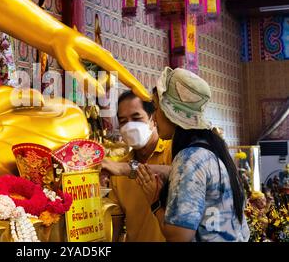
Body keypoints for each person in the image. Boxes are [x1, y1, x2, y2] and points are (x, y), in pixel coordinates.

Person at [136, 67, 249, 241]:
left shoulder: (189, 158)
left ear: (170, 113)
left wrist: (155, 201)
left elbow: (179, 236)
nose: (153, 118)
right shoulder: (209, 150)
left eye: (156, 108)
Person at [101, 90, 172, 241]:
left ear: (153, 119)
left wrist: (126, 169)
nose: (129, 126)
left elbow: (182, 173)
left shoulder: (173, 151)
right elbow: (115, 224)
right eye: (123, 121)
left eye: (136, 118)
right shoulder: (118, 170)